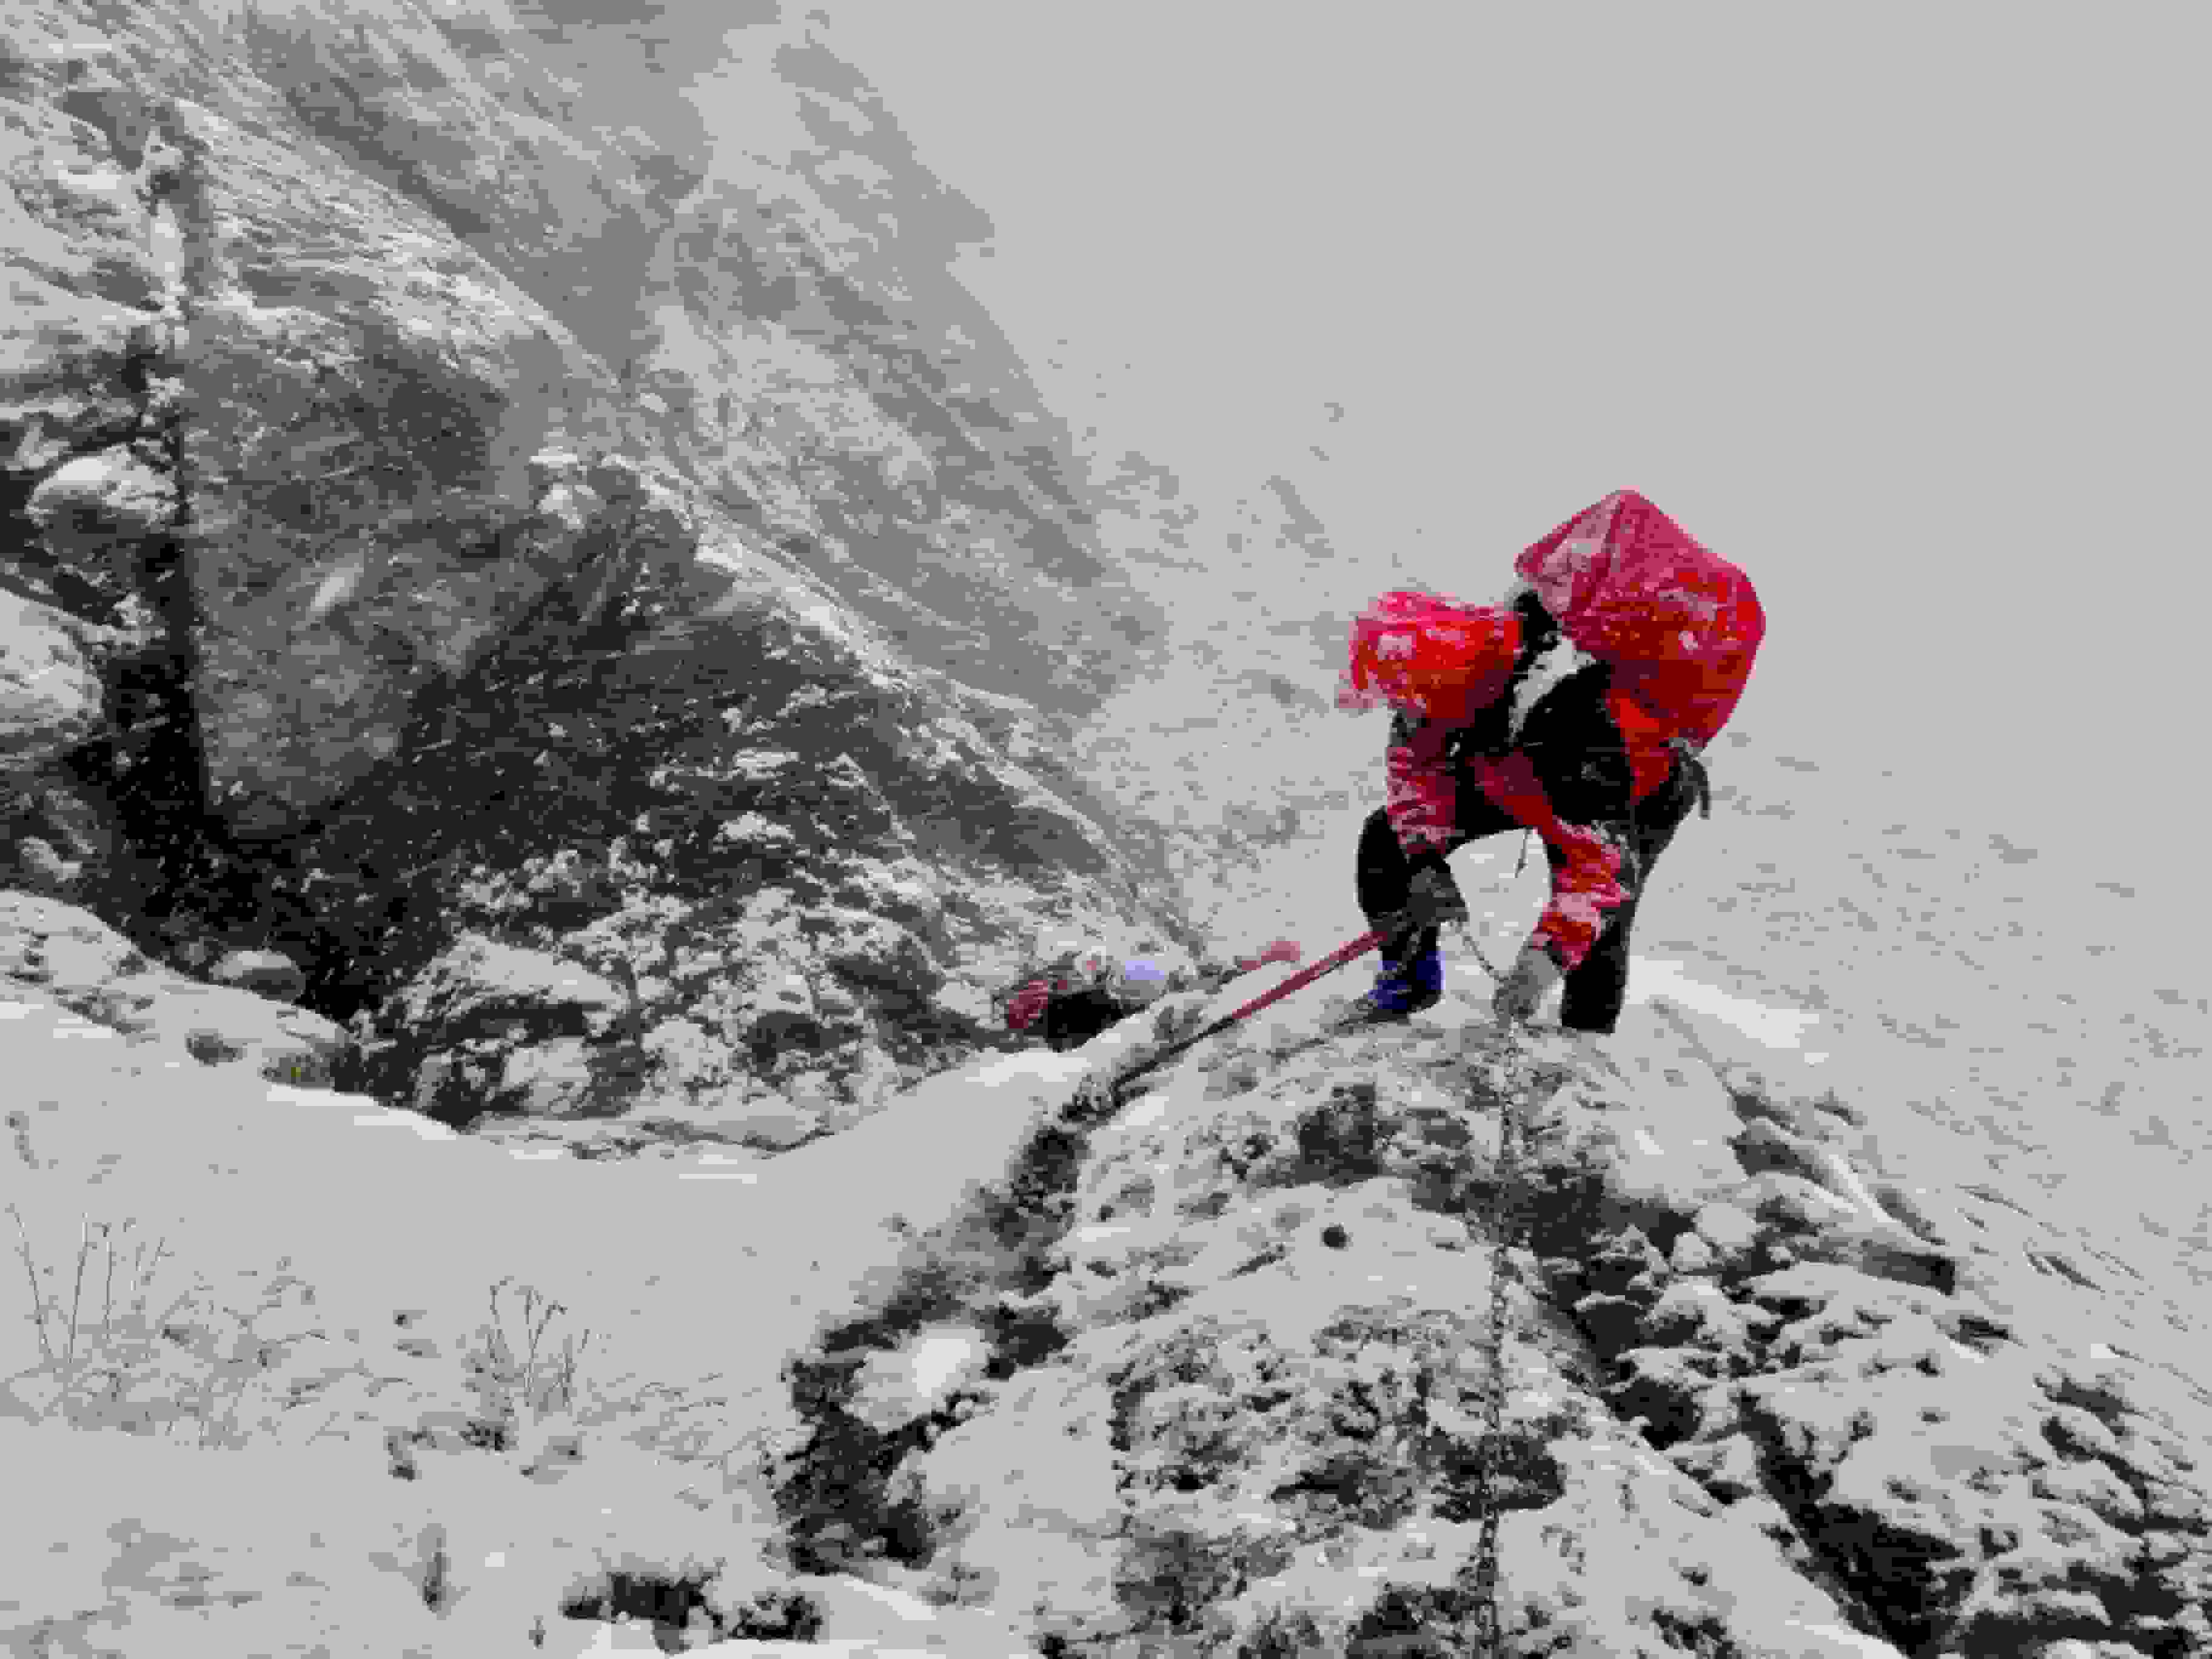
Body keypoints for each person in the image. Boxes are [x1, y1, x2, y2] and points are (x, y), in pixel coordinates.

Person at [1337, 490, 1764, 1036]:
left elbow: (1598, 876)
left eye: (1402, 703)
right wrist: (1423, 861)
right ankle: (1410, 981)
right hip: (1519, 772)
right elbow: (1412, 774)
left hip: (1629, 784)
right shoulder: (1441, 688)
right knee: (1385, 838)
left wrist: (1541, 963)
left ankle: (1583, 1042)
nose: (1399, 715)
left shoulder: (1573, 729)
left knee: (1604, 919)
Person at [1001, 937, 1303, 1052]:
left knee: (1199, 983)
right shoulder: (1062, 1007)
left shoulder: (1061, 1021)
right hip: (1120, 992)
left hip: (1121, 997)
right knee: (1200, 979)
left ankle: (1269, 958)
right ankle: (1270, 958)